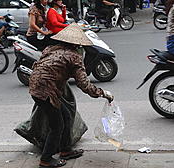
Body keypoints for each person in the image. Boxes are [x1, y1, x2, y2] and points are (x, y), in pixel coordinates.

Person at [29, 23, 114, 167]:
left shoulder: (50, 48)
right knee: (57, 126)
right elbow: (84, 85)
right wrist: (102, 93)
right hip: (46, 92)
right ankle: (46, 159)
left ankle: (65, 150)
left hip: (37, 86)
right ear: (77, 45)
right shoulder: (74, 57)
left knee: (66, 115)